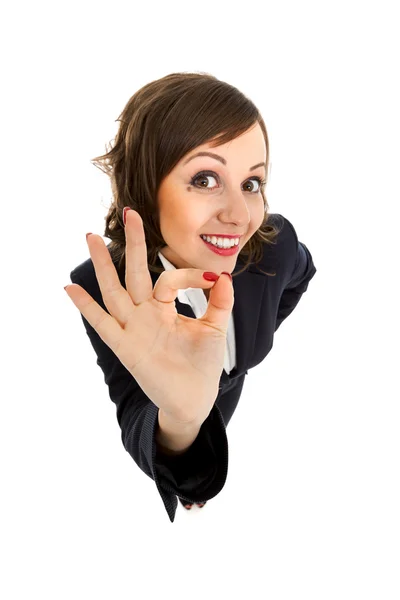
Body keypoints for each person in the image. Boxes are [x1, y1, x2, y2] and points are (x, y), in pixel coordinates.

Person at [64, 71, 317, 522]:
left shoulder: (275, 245)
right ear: (144, 186)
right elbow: (137, 418)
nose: (240, 216)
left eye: (251, 183)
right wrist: (182, 424)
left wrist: (253, 336)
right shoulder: (107, 289)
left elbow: (301, 274)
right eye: (204, 179)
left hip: (227, 384)